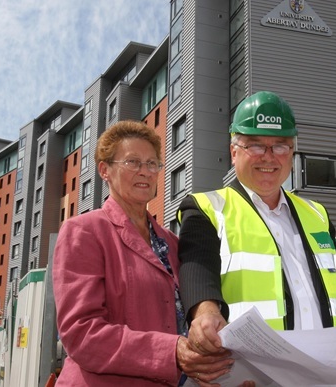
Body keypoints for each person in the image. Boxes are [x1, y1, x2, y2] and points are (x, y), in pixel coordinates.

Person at [178, 91, 336, 383]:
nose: (268, 157)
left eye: (280, 146)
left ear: (292, 153)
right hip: (253, 377)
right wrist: (204, 311)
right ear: (234, 152)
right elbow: (197, 267)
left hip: (324, 375)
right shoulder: (206, 207)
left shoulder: (316, 213)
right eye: (255, 145)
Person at [53, 120, 233, 386]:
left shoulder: (172, 243)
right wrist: (171, 352)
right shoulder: (84, 231)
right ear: (105, 170)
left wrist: (204, 365)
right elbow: (82, 334)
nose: (145, 172)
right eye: (133, 162)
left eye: (152, 164)